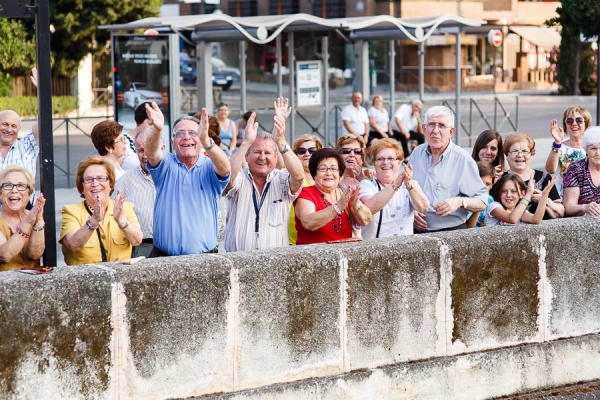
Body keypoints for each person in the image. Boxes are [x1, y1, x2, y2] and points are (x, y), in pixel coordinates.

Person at [144, 102, 231, 257]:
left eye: (193, 133)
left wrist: (207, 141)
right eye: (179, 133)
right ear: (172, 143)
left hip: (204, 259)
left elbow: (225, 168)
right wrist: (158, 129)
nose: (186, 137)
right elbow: (151, 154)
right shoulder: (166, 164)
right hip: (163, 258)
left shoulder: (209, 166)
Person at [224, 98, 304, 252]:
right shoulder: (240, 177)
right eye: (257, 152)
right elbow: (228, 176)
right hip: (237, 263)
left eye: (267, 153)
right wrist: (247, 142)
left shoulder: (281, 179)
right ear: (246, 156)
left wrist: (280, 141)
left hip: (274, 265)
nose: (262, 157)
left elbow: (299, 176)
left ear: (275, 157)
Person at [411, 106, 488, 233]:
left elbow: (482, 201)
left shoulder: (463, 160)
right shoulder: (416, 152)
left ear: (451, 132)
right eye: (431, 125)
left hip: (451, 233)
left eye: (441, 126)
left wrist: (459, 201)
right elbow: (405, 189)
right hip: (415, 230)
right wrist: (411, 211)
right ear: (424, 129)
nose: (435, 131)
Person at [59, 156, 142, 265]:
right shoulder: (71, 211)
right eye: (89, 180)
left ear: (110, 184)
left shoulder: (125, 208)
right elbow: (73, 244)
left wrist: (121, 220)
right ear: (82, 187)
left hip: (119, 279)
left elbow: (137, 240)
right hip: (85, 279)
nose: (95, 184)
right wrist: (92, 222)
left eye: (101, 178)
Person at [295, 148, 372, 244]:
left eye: (333, 169)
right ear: (314, 173)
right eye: (323, 169)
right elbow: (308, 222)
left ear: (339, 174)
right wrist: (337, 207)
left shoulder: (342, 195)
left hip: (343, 256)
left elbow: (366, 220)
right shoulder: (306, 193)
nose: (329, 173)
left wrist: (355, 204)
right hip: (313, 256)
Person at [359, 139, 429, 239]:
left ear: (399, 162)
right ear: (374, 162)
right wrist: (395, 185)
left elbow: (423, 207)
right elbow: (369, 209)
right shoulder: (366, 185)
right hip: (374, 250)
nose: (385, 162)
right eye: (380, 159)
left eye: (391, 158)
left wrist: (409, 184)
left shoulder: (410, 185)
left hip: (404, 249)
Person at [113, 129, 165, 258]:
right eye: (141, 151)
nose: (146, 155)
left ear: (162, 148)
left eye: (151, 149)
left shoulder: (176, 175)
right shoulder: (124, 182)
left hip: (173, 246)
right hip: (141, 248)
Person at [503, 133, 564, 219]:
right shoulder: (500, 179)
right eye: (515, 151)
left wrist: (545, 200)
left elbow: (561, 212)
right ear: (507, 155)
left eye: (524, 151)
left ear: (531, 155)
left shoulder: (544, 178)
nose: (520, 155)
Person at [0, 166, 45, 271]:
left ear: (29, 194)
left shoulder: (34, 215)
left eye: (21, 185)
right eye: (7, 185)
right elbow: (5, 255)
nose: (14, 190)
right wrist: (28, 222)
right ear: (1, 193)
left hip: (33, 283)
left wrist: (38, 220)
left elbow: (35, 255)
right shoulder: (30, 218)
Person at [0, 69, 40, 182]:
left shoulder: (27, 146)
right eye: (5, 124)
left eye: (13, 126)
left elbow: (44, 121)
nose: (9, 129)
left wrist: (42, 91)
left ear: (19, 129)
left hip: (24, 200)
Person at [545, 106, 589, 196]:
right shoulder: (559, 146)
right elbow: (550, 169)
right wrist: (557, 143)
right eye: (569, 121)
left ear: (586, 124)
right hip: (563, 199)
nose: (574, 123)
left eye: (579, 120)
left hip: (588, 199)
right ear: (565, 125)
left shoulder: (592, 147)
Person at [288, 134, 323, 245]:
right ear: (295, 155)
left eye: (312, 150)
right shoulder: (290, 174)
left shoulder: (326, 176)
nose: (307, 154)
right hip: (294, 241)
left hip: (320, 239)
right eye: (302, 151)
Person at [483, 173, 555, 226]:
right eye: (504, 191)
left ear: (522, 194)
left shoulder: (520, 211)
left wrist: (544, 196)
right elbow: (512, 219)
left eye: (513, 191)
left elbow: (535, 219)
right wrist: (528, 195)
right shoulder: (494, 206)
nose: (508, 195)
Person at [563, 126, 600, 216]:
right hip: (583, 224)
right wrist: (585, 207)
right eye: (593, 148)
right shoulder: (575, 169)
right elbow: (568, 207)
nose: (598, 153)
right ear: (586, 150)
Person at [466, 161, 495, 228]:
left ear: (492, 185)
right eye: (480, 183)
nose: (483, 188)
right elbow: (468, 227)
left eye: (487, 184)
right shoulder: (466, 199)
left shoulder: (490, 199)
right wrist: (479, 207)